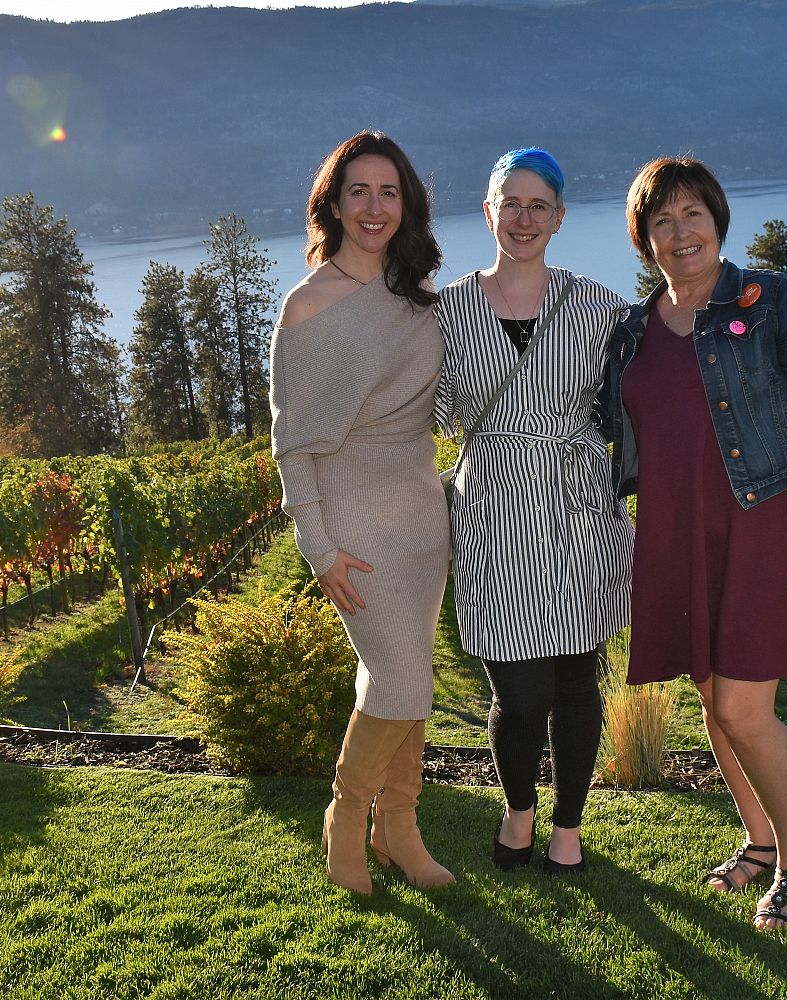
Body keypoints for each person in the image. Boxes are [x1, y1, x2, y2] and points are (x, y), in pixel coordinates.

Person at [600, 157, 787, 931]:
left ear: (718, 221)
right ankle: (757, 840)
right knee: (712, 699)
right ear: (643, 237)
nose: (679, 231)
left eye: (693, 214)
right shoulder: (633, 329)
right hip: (677, 528)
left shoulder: (778, 302)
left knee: (745, 708)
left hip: (767, 520)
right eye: (661, 220)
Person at [434, 148, 631, 875]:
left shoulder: (600, 307)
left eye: (537, 205)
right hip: (491, 510)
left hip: (578, 506)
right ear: (487, 212)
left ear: (559, 218)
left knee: (578, 678)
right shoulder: (446, 311)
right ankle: (520, 808)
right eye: (509, 204)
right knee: (517, 693)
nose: (523, 218)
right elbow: (414, 405)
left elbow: (642, 402)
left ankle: (568, 827)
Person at [269, 130, 453, 896]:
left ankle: (400, 829)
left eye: (388, 192)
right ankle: (347, 823)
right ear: (334, 205)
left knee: (404, 681)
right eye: (358, 192)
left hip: (421, 516)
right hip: (355, 522)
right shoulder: (307, 306)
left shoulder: (418, 301)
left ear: (404, 204)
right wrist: (319, 547)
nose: (374, 207)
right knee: (399, 676)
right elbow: (292, 444)